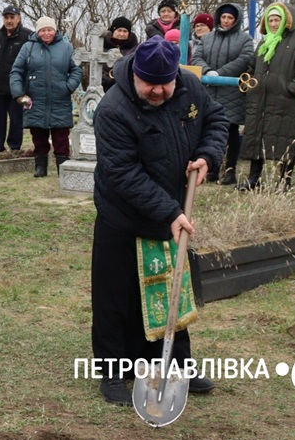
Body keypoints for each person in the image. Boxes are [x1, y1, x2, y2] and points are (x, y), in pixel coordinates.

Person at [92, 36, 227, 404]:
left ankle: (174, 366)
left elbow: (216, 119)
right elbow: (122, 174)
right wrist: (171, 212)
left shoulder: (189, 87)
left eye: (164, 83)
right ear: (135, 74)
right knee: (117, 297)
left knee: (171, 292)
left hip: (172, 209)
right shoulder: (113, 110)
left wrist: (207, 156)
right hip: (124, 215)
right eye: (150, 83)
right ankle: (113, 373)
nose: (158, 90)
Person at [237, 3, 295, 191]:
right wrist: (249, 84)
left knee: (286, 141)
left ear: (286, 20)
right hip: (259, 101)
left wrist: (290, 89)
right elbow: (251, 67)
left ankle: (284, 182)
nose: (273, 24)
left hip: (285, 102)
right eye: (270, 20)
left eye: (277, 19)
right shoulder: (264, 43)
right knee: (257, 139)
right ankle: (253, 179)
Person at [10, 16, 83, 178]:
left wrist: (69, 86)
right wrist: (19, 93)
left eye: (49, 29)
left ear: (55, 30)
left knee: (61, 136)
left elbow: (76, 69)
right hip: (35, 99)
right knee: (38, 135)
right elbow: (16, 71)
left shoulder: (66, 47)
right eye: (43, 30)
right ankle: (40, 167)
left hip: (60, 98)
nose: (46, 33)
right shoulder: (27, 48)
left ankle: (62, 167)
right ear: (38, 32)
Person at [191, 3, 253, 185]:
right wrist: (208, 71)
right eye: (224, 17)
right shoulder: (208, 38)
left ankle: (230, 170)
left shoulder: (244, 39)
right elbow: (197, 56)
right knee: (209, 130)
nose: (226, 21)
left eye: (230, 18)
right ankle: (213, 169)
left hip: (231, 92)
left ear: (236, 20)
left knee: (231, 131)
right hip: (209, 91)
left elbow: (245, 58)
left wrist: (221, 73)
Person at [0, 5, 32, 155]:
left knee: (16, 119)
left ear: (19, 18)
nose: (9, 21)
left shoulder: (26, 36)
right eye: (6, 17)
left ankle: (15, 147)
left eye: (12, 17)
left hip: (16, 87)